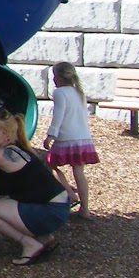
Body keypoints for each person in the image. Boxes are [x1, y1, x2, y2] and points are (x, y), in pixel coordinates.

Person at [0, 101, 71, 266]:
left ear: (7, 136)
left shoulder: (3, 155)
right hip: (57, 208)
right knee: (1, 204)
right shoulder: (14, 149)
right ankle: (44, 237)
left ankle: (29, 243)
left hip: (50, 212)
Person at [44, 61, 99, 217]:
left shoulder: (60, 93)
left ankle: (69, 193)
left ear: (60, 78)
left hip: (66, 138)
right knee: (78, 171)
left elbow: (58, 116)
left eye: (55, 76)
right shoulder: (79, 92)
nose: (54, 80)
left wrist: (50, 136)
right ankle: (85, 209)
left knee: (49, 165)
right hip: (82, 138)